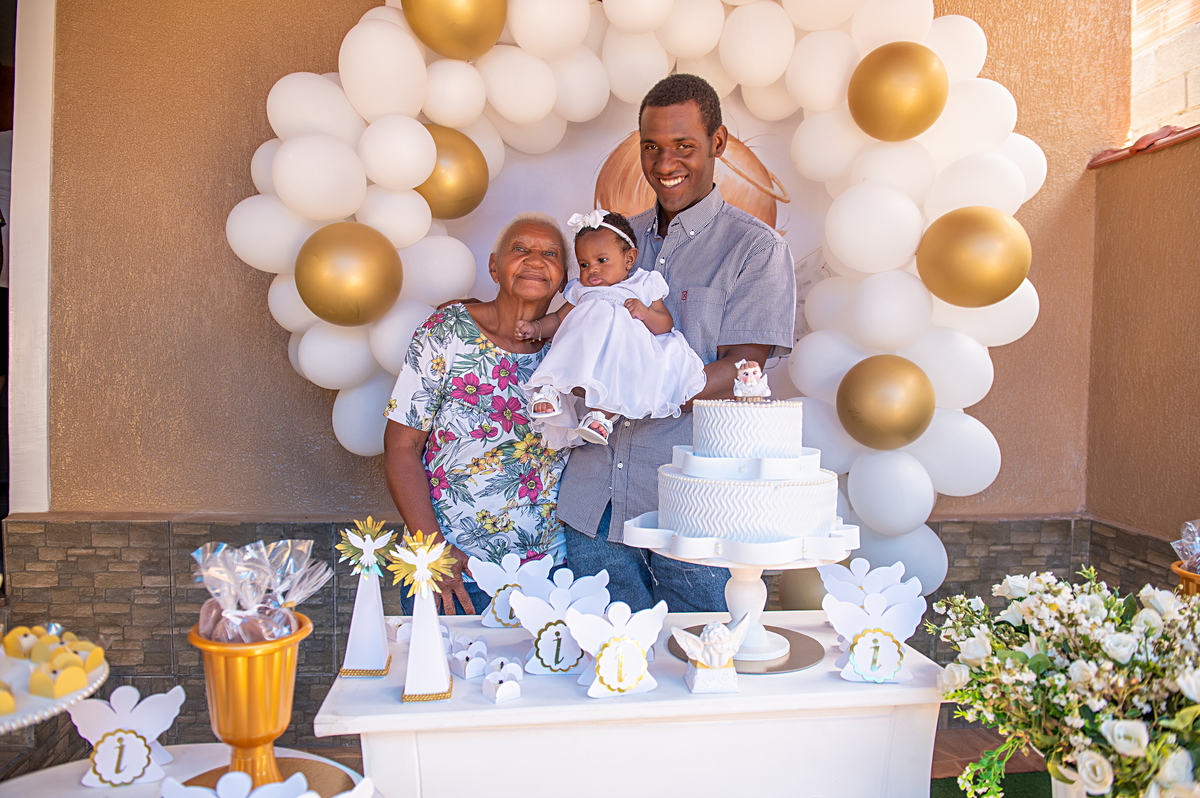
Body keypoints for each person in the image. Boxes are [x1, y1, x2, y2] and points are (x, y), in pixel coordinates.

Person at [555, 74, 797, 613]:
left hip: (693, 507)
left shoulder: (754, 248)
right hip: (593, 500)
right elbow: (573, 325)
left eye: (684, 145)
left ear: (718, 142)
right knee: (606, 656)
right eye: (652, 147)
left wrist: (641, 392)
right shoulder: (613, 241)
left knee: (701, 653)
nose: (665, 163)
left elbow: (743, 370)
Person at [383, 212, 571, 614]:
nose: (535, 259)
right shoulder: (447, 330)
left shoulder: (574, 347)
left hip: (550, 574)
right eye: (520, 248)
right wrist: (434, 549)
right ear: (494, 267)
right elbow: (401, 446)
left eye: (551, 253)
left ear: (565, 279)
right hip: (453, 570)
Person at [515, 209, 706, 448]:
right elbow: (558, 318)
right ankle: (551, 388)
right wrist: (536, 328)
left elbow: (665, 325)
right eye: (584, 264)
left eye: (602, 261)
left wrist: (645, 313)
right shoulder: (582, 290)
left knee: (618, 378)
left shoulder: (642, 284)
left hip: (620, 352)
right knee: (565, 348)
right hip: (584, 351)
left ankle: (600, 417)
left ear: (629, 258)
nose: (592, 270)